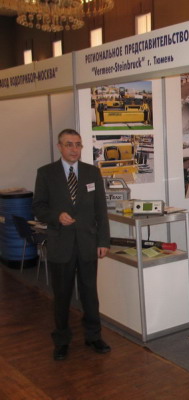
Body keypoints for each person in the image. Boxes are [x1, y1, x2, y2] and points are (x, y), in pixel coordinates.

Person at [32, 128, 111, 361]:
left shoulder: (92, 172)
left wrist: (103, 240)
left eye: (78, 144)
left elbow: (101, 210)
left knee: (90, 294)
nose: (74, 149)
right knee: (62, 296)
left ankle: (93, 336)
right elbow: (38, 207)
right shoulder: (46, 173)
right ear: (59, 147)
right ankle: (62, 340)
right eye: (69, 144)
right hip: (61, 244)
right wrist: (56, 216)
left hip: (88, 243)